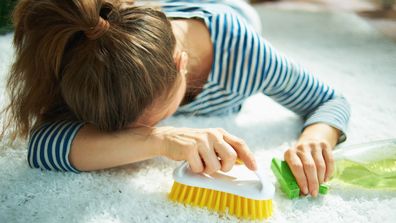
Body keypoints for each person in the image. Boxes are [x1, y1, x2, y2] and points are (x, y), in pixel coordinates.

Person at [4, 0, 350, 197]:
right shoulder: (101, 56)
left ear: (180, 65)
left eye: (148, 120)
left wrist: (314, 138)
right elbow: (42, 145)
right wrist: (159, 139)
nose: (127, 133)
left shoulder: (248, 56)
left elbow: (329, 100)